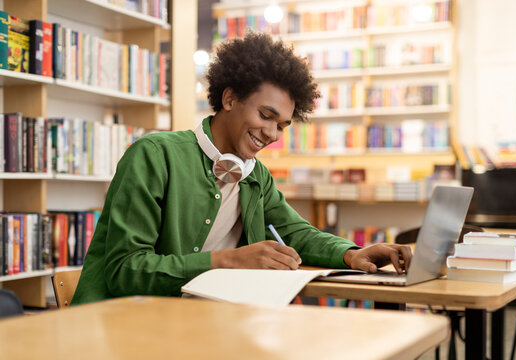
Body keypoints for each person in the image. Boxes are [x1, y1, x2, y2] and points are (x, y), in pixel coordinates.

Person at [71, 32, 412, 305]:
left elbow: (296, 233)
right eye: (266, 115)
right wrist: (229, 260)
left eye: (282, 125)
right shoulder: (154, 156)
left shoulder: (255, 175)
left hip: (202, 320)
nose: (272, 134)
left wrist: (352, 254)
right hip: (127, 324)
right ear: (230, 99)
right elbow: (125, 270)